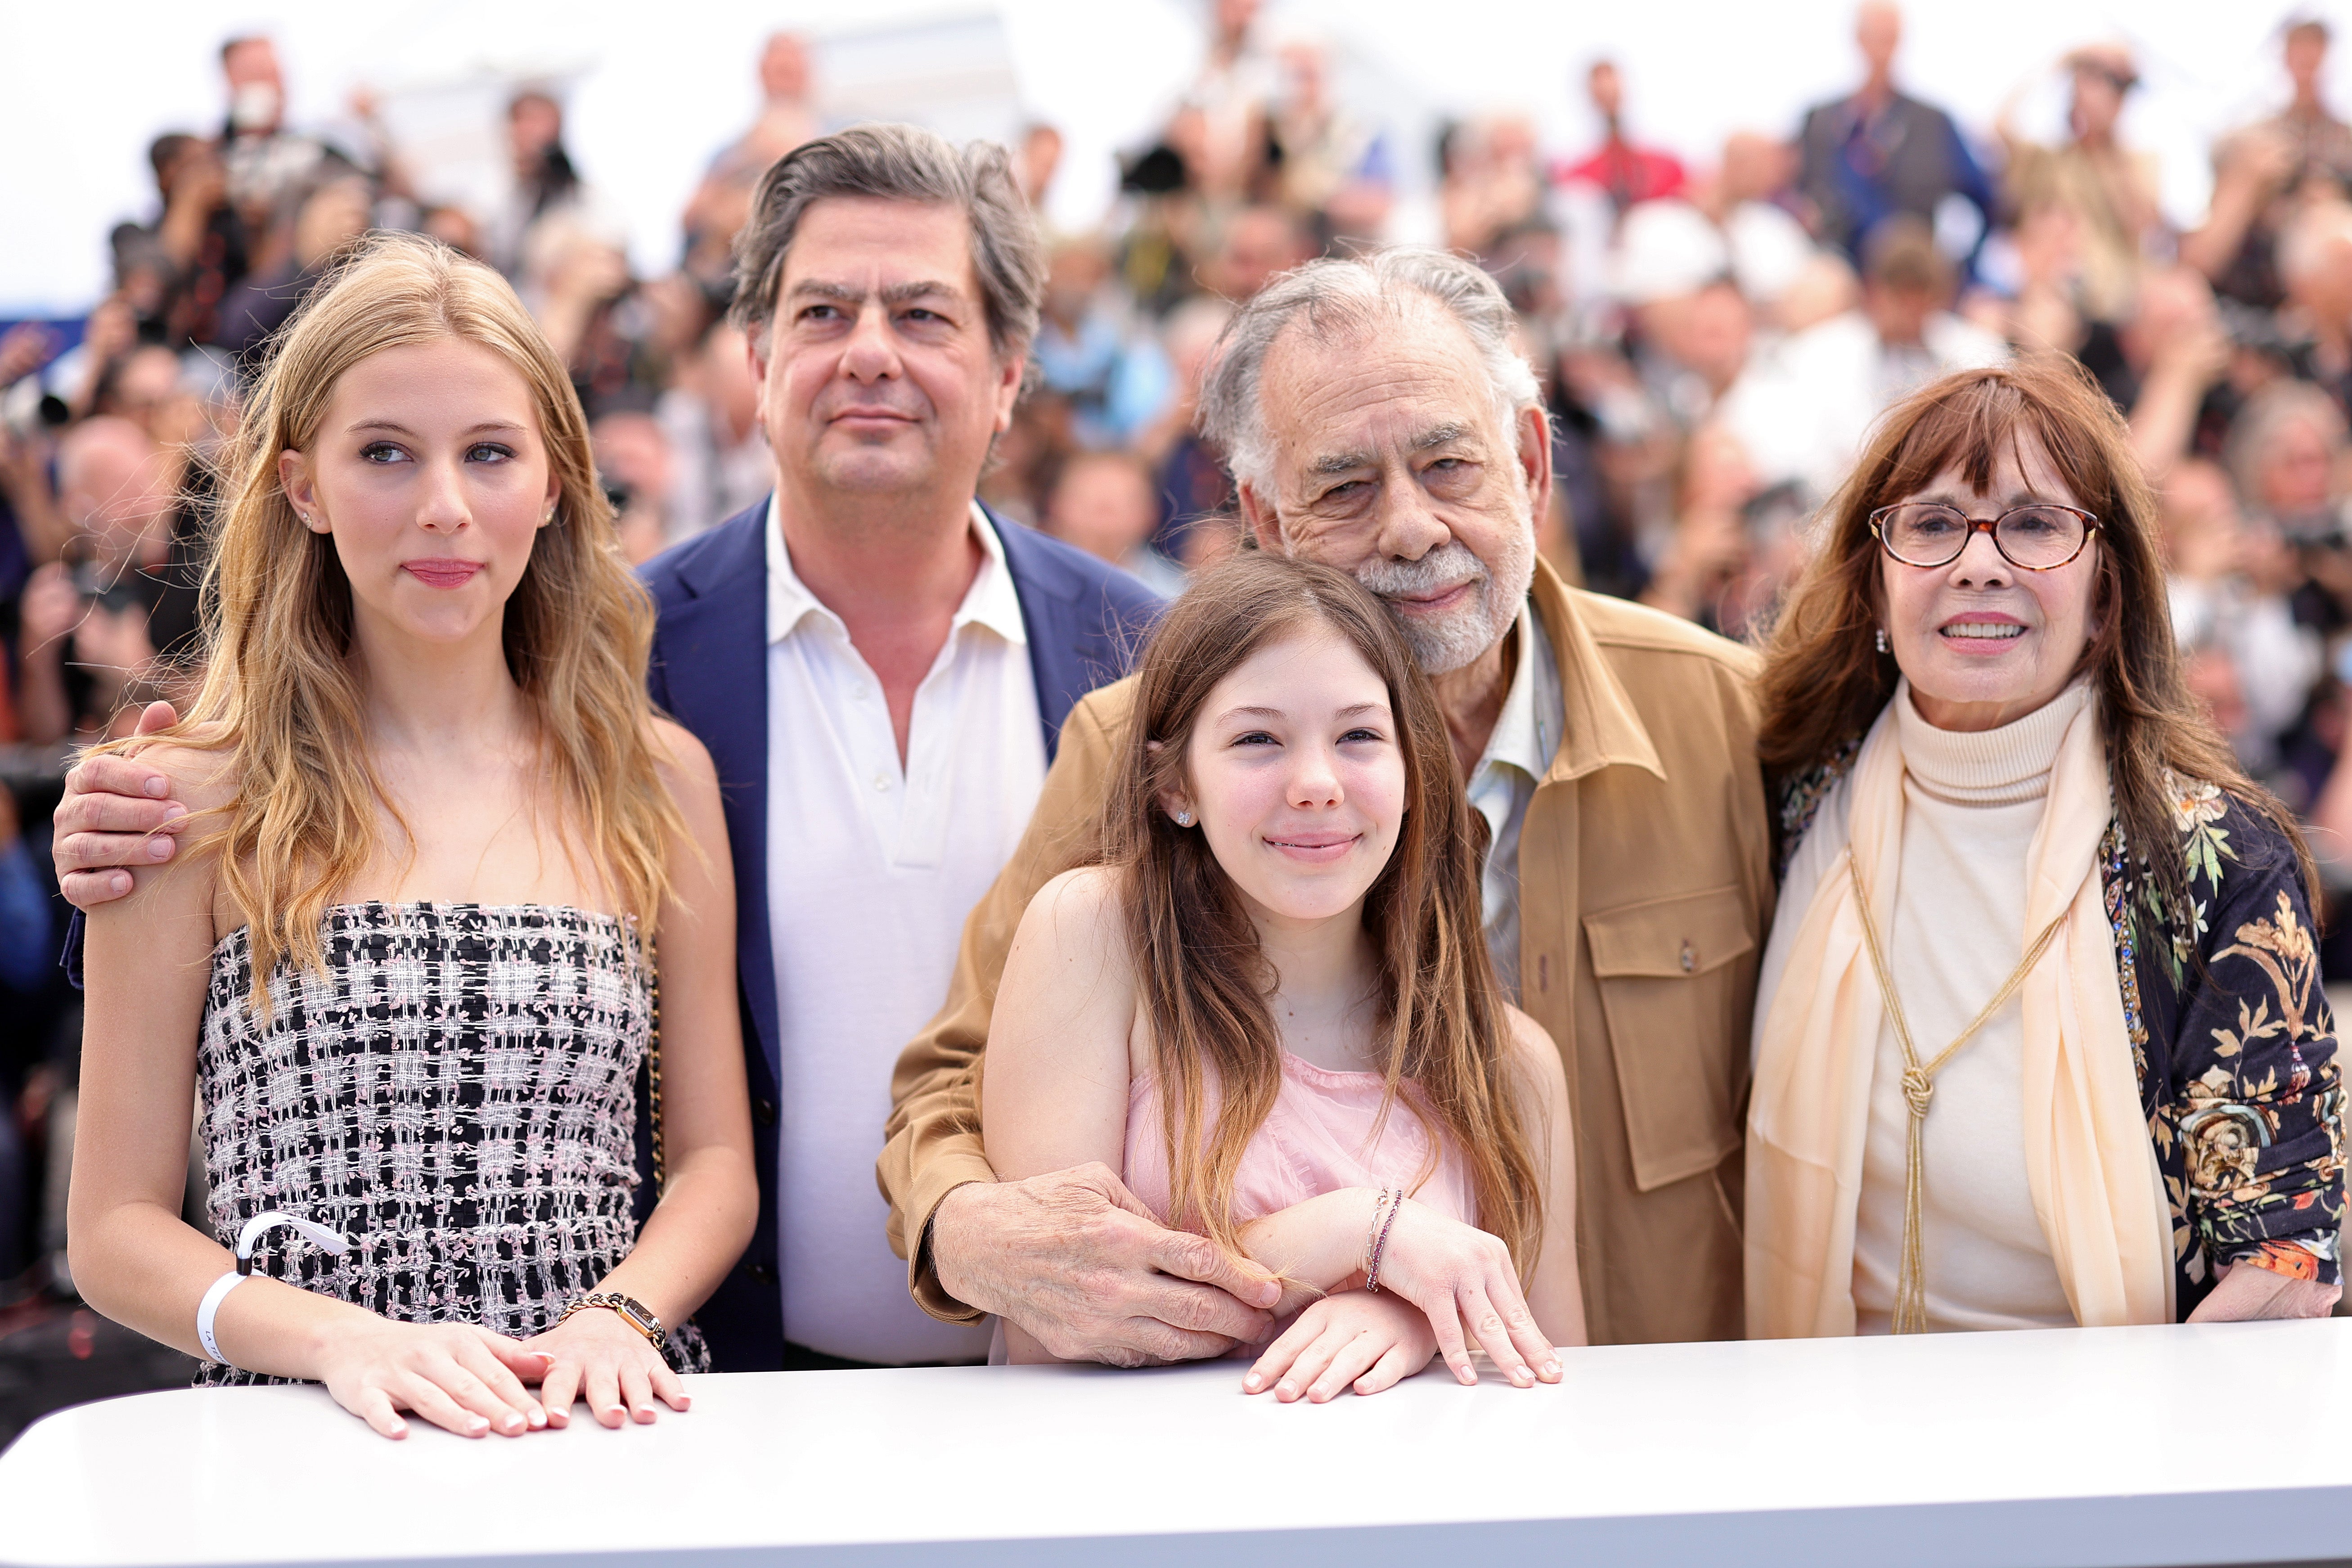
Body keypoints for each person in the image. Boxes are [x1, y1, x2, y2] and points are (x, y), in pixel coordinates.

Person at [52, 127, 1170, 1375]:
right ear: (754, 356)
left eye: (921, 312)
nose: (444, 507)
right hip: (713, 1400)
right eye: (822, 310)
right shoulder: (633, 654)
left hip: (1044, 1384)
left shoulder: (1150, 664)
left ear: (1014, 371)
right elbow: (115, 1219)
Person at [885, 247, 1772, 1363]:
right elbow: (957, 1081)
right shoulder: (1136, 746)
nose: (1408, 527)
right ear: (1263, 515)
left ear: (1532, 464)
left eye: (1448, 465)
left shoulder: (1724, 720)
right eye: (1344, 487)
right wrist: (971, 1230)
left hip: (1632, 1432)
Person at [64, 233, 759, 1437]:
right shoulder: (186, 794)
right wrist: (338, 1337)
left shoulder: (654, 778)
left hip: (600, 1425)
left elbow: (712, 1163)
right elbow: (114, 1230)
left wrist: (620, 1314)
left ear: (553, 484)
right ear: (303, 488)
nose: (444, 506)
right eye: (385, 453)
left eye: (489, 453)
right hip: (308, 1439)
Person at [1746, 359, 2342, 1338]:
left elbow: (2281, 1261)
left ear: (2106, 595)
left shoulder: (2217, 865)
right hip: (1820, 1429)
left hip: (2115, 1450)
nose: (1980, 562)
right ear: (1877, 584)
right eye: (1934, 523)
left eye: (2033, 522)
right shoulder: (1796, 797)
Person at [986, 553, 1583, 1397]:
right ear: (1174, 787)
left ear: (1413, 774)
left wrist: (1416, 1319)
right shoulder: (1093, 938)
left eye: (1359, 737)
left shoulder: (1511, 1063)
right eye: (1257, 740)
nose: (1314, 783)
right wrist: (1367, 1236)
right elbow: (1059, 1323)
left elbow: (1552, 1380)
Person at [1795, 2, 1993, 269]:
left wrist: (1962, 268)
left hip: (1914, 275)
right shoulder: (1821, 121)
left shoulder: (1933, 123)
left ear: (1901, 40)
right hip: (1841, 267)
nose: (1880, 48)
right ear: (1858, 39)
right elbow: (1788, 192)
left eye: (1889, 37)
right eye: (1873, 35)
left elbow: (1987, 200)